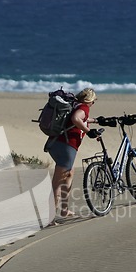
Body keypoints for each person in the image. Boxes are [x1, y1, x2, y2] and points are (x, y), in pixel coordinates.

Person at [44, 87, 101, 221]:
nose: (93, 104)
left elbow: (80, 118)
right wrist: (88, 131)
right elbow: (76, 118)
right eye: (94, 102)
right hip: (67, 147)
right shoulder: (84, 108)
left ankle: (64, 210)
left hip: (56, 144)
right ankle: (50, 218)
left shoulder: (75, 105)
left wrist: (96, 120)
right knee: (57, 183)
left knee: (70, 173)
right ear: (90, 101)